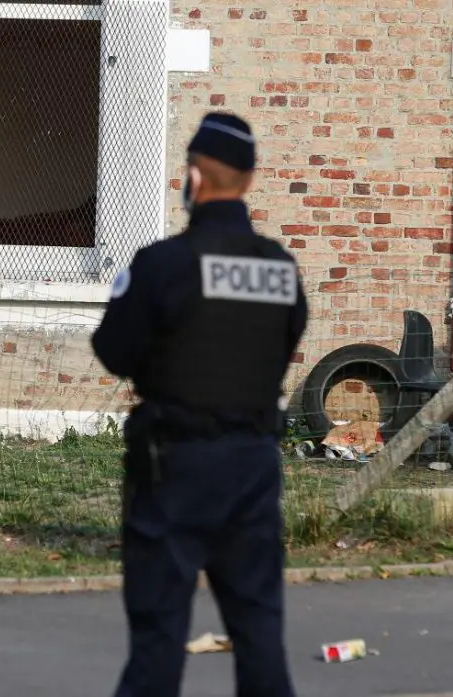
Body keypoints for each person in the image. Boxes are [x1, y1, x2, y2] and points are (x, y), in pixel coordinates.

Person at [91, 112, 308, 697]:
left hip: (175, 467)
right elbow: (283, 346)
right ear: (248, 179)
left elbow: (113, 350)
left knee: (160, 638)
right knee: (260, 631)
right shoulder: (280, 270)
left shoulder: (162, 265)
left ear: (194, 177)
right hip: (253, 467)